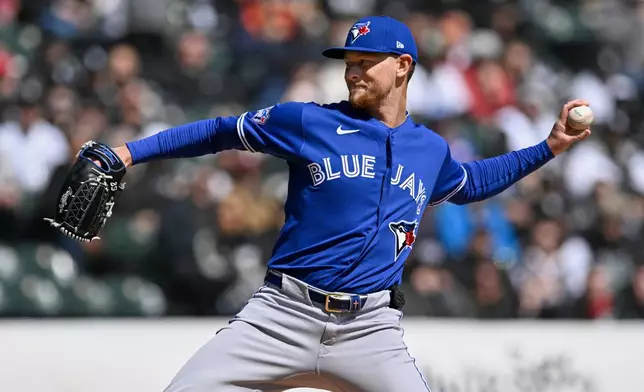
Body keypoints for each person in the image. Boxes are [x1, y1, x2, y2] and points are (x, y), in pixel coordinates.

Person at [109, 16, 591, 392]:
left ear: (403, 66)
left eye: (365, 61)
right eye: (349, 62)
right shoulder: (307, 122)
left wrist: (546, 147)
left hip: (369, 328)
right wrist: (130, 153)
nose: (352, 71)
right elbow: (217, 132)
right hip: (281, 315)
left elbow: (471, 183)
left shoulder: (430, 149)